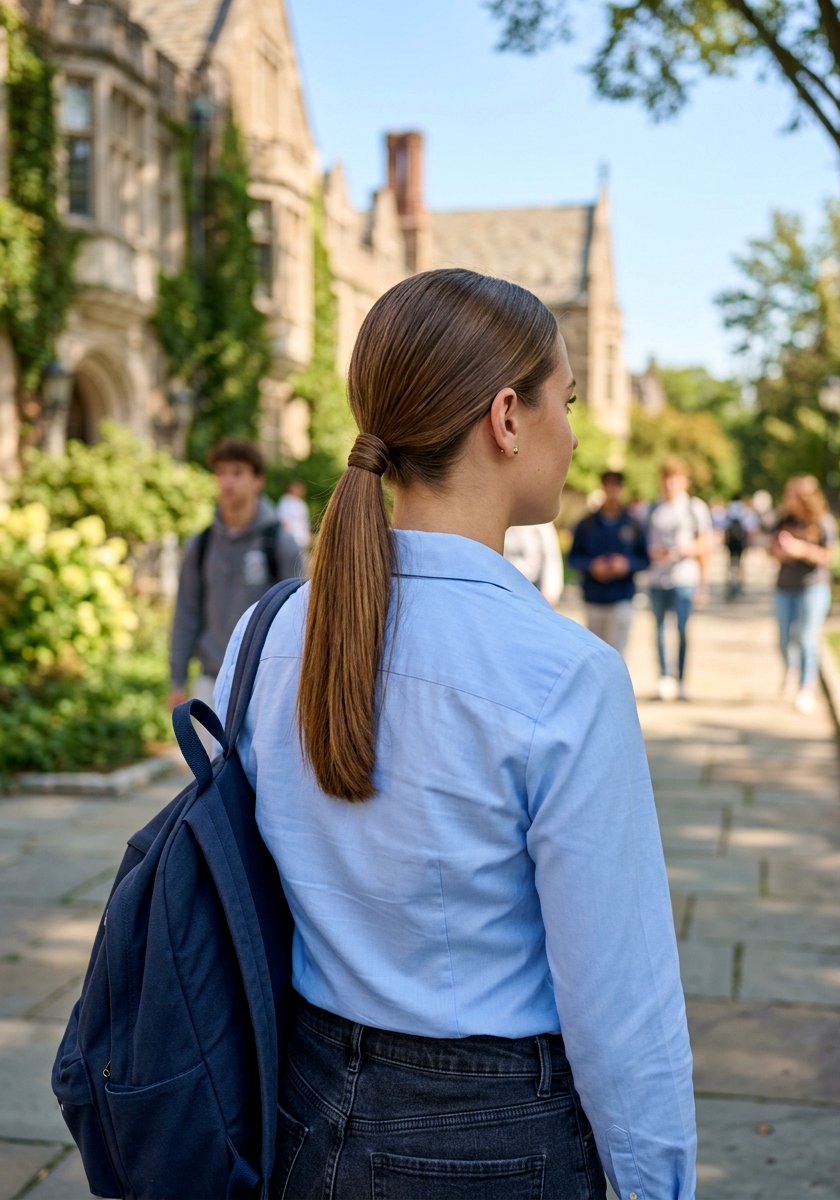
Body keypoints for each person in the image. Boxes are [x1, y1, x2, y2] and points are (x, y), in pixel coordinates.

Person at [214, 270, 696, 1199]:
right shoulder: (563, 676)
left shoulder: (269, 633)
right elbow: (620, 1005)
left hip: (298, 1107)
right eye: (567, 400)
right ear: (506, 417)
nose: (578, 430)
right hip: (495, 1137)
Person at [168, 438, 302, 747]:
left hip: (263, 683)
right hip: (210, 680)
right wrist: (177, 678)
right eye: (221, 472)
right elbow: (186, 613)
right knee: (210, 785)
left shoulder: (280, 543)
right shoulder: (200, 545)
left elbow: (300, 617)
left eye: (237, 472)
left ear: (258, 480)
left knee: (256, 786)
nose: (227, 481)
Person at [768, 473, 838, 714]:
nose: (787, 500)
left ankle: (806, 688)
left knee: (808, 637)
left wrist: (801, 550)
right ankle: (792, 670)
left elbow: (828, 556)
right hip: (784, 586)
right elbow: (770, 549)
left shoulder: (823, 522)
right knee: (785, 638)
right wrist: (781, 551)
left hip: (813, 586)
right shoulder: (783, 520)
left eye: (792, 496)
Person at [646, 458, 714, 701]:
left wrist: (702, 581)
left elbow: (707, 543)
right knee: (660, 630)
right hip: (658, 579)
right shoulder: (654, 509)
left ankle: (682, 679)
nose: (670, 483)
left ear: (684, 481)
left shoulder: (695, 508)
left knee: (683, 629)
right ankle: (665, 676)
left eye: (675, 478)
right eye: (666, 478)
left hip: (685, 578)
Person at [568, 469, 648, 656]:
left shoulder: (633, 524)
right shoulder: (587, 524)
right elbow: (573, 557)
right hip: (594, 596)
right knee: (595, 652)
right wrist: (592, 566)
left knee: (617, 652)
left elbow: (644, 559)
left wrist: (627, 565)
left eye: (616, 486)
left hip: (622, 595)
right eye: (608, 485)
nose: (612, 490)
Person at [503, 520, 565, 605]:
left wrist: (550, 589)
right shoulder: (506, 524)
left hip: (534, 586)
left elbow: (551, 557)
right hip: (509, 585)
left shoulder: (541, 525)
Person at [277, 476, 311, 556]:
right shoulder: (285, 502)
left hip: (302, 539)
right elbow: (283, 520)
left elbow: (305, 521)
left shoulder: (302, 504)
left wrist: (308, 535)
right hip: (291, 539)